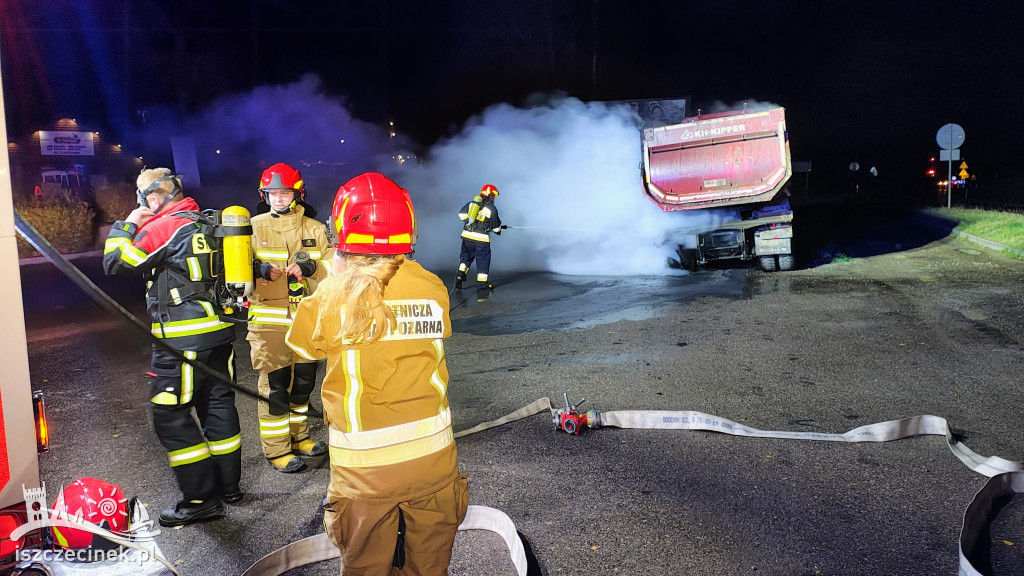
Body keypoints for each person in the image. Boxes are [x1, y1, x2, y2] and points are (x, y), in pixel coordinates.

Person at [286, 172, 468, 575]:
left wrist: (330, 279)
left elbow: (301, 347)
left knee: (366, 566)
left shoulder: (333, 293)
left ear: (342, 229)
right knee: (430, 567)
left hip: (366, 471)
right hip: (435, 461)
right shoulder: (433, 285)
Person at [103, 168, 241, 527]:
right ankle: (230, 488)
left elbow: (115, 261)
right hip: (221, 333)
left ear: (151, 198)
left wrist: (129, 224)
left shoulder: (161, 228)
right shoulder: (207, 221)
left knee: (170, 416)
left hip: (181, 340)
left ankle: (200, 499)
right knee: (218, 404)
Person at [247, 162, 331, 473]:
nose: (279, 199)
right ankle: (277, 450)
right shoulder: (253, 227)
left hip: (307, 321)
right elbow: (235, 271)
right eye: (272, 194)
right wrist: (259, 270)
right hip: (269, 323)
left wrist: (312, 269)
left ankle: (301, 438)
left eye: (285, 193)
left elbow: (333, 273)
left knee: (303, 386)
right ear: (264, 195)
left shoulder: (315, 229)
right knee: (275, 387)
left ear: (298, 194)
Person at [455, 183, 505, 290]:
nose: (494, 197)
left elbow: (461, 215)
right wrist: (499, 231)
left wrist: (470, 222)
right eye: (493, 195)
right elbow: (496, 228)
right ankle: (482, 286)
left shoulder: (471, 204)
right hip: (481, 241)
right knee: (483, 261)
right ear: (490, 195)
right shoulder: (491, 208)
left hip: (467, 237)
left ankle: (459, 277)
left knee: (465, 258)